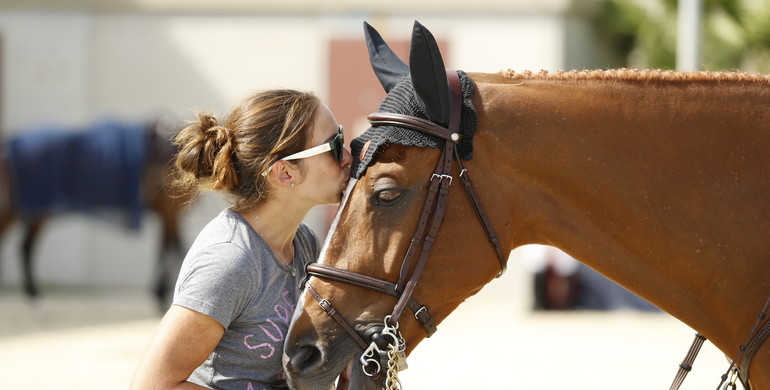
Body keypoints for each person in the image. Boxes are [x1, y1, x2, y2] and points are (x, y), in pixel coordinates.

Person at [130, 89, 353, 390]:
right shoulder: (231, 261)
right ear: (285, 172)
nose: (349, 157)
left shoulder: (304, 243)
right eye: (334, 145)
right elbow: (152, 386)